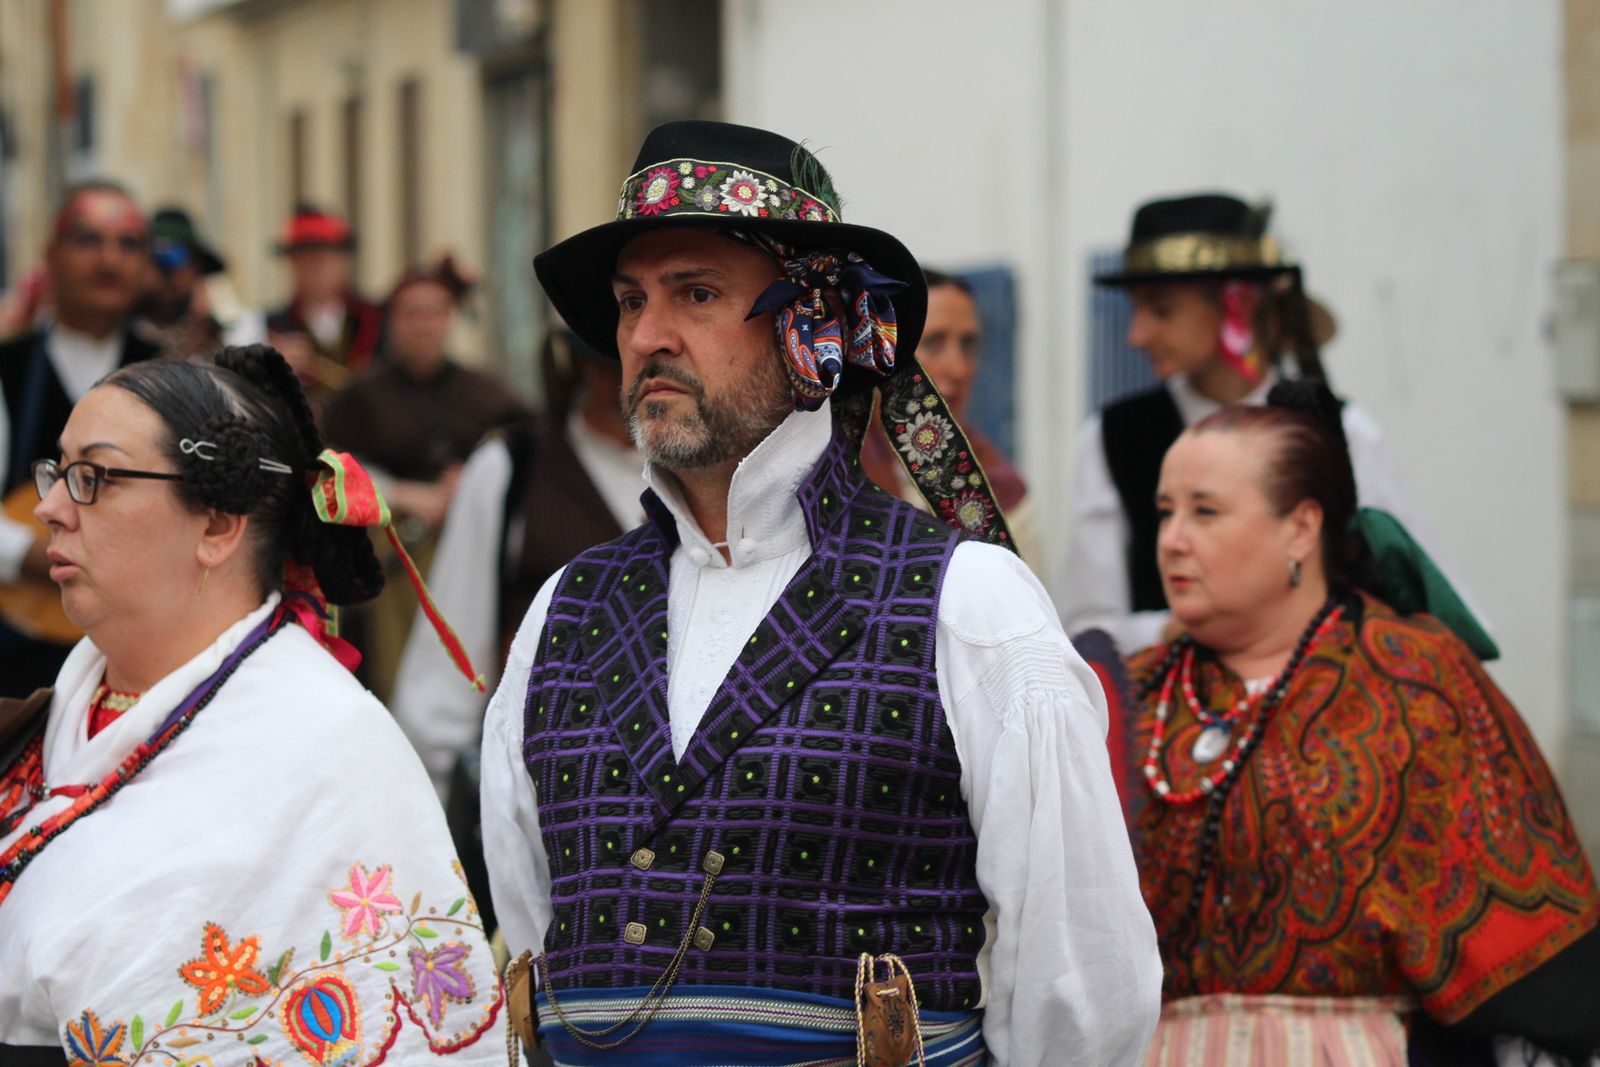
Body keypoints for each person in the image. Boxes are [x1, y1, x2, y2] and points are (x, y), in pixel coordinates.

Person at [479, 119, 1160, 1066]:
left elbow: (1080, 991)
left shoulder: (968, 601)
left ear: (816, 328)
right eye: (633, 300)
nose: (645, 335)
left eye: (697, 294)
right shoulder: (564, 612)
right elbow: (533, 927)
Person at [0, 345, 502, 1063]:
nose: (49, 507)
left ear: (216, 524)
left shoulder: (328, 745)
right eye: (58, 470)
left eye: (95, 478)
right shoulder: (62, 713)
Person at [1122, 381, 1598, 1064]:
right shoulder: (1134, 691)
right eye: (1165, 512)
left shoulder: (1414, 679)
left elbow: (1523, 930)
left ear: (1301, 527)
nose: (1172, 540)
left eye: (1206, 512)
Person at [1058, 193, 1437, 654]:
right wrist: (1171, 630)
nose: (1136, 335)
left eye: (1161, 309)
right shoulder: (1115, 436)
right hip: (1169, 710)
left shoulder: (1342, 431)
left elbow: (1416, 597)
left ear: (1235, 306)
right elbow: (1086, 627)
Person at [392, 325, 642, 933]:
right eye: (619, 359)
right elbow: (450, 661)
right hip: (544, 828)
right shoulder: (512, 468)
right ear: (583, 366)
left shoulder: (722, 473)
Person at [322, 256, 531, 697]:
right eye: (411, 313)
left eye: (435, 312)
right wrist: (403, 494)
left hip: (473, 544)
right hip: (396, 558)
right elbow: (327, 468)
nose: (424, 325)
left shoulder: (484, 390)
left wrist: (477, 477)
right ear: (392, 321)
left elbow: (529, 442)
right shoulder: (360, 396)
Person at [0, 181, 159, 698]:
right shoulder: (8, 369)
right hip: (21, 653)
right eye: (88, 240)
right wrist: (35, 552)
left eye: (128, 243)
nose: (109, 260)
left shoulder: (176, 375)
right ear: (51, 256)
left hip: (144, 654)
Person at [861, 269, 1040, 567]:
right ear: (884, 351)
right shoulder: (837, 470)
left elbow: (1031, 609)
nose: (958, 369)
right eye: (933, 343)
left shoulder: (1002, 489)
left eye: (968, 346)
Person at [265, 204, 382, 415]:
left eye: (323, 257)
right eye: (304, 258)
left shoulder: (374, 319)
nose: (315, 267)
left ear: (342, 261)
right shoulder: (272, 325)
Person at [134, 206, 230, 362]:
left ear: (198, 269)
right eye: (158, 261)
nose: (168, 275)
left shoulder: (222, 341)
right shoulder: (119, 334)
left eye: (178, 261)